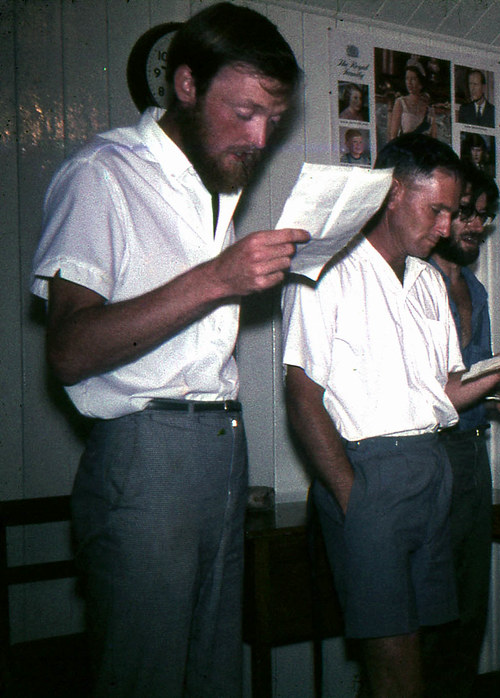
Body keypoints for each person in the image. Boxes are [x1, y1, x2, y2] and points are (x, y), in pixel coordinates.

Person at [29, 4, 306, 696]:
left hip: (221, 447)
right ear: (185, 85)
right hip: (145, 456)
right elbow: (66, 349)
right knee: (144, 676)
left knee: (214, 674)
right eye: (244, 113)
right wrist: (219, 277)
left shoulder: (213, 189)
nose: (259, 137)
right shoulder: (103, 173)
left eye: (273, 120)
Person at [282, 133, 500, 697]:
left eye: (452, 211)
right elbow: (302, 396)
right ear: (392, 193)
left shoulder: (426, 281)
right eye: (437, 210)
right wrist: (353, 497)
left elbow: (445, 389)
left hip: (432, 467)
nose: (446, 227)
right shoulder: (327, 270)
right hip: (370, 471)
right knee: (389, 653)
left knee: (418, 643)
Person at [420, 169, 500, 697]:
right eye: (466, 212)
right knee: (424, 613)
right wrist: (494, 374)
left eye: (484, 215)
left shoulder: (477, 289)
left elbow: (471, 382)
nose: (476, 225)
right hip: (424, 455)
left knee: (469, 608)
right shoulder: (411, 282)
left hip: (471, 456)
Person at [386, 62, 437, 142]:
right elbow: (393, 136)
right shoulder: (401, 102)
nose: (409, 82)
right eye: (407, 78)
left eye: (413, 79)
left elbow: (434, 138)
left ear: (420, 81)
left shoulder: (429, 107)